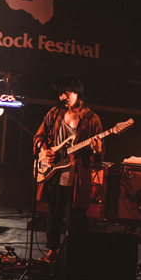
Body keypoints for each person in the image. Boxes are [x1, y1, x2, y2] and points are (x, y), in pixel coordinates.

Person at [33, 75, 103, 260]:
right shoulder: (54, 114)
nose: (63, 97)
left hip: (77, 178)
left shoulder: (92, 119)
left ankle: (74, 256)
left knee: (76, 220)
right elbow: (38, 137)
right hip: (54, 174)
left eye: (67, 92)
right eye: (61, 94)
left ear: (77, 92)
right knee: (53, 215)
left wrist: (97, 150)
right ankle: (52, 252)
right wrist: (44, 150)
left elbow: (98, 160)